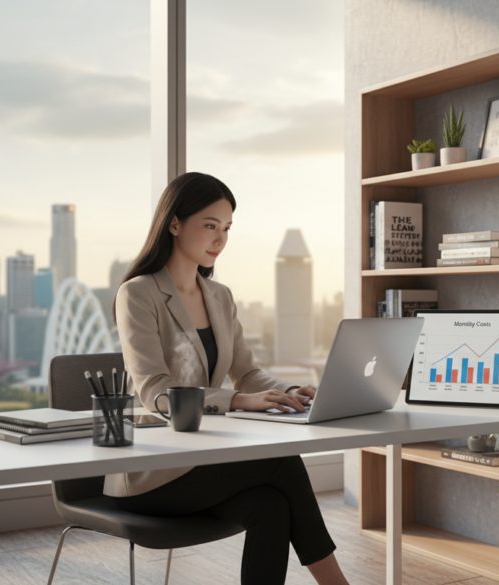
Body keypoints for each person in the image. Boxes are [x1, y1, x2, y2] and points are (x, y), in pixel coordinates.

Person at [106, 172, 350, 585]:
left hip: (205, 459)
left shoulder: (219, 296)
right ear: (174, 223)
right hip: (153, 472)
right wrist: (237, 401)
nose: (220, 239)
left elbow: (247, 372)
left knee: (271, 505)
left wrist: (287, 391)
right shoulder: (138, 293)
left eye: (226, 228)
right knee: (281, 463)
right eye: (210, 225)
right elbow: (153, 392)